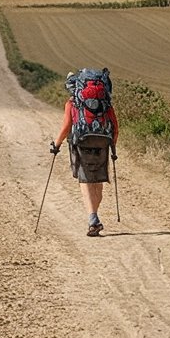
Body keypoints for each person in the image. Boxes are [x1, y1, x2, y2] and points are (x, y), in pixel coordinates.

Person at [50, 80, 119, 237]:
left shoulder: (72, 103)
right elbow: (115, 127)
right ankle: (94, 215)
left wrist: (56, 144)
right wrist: (112, 147)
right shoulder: (105, 102)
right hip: (102, 144)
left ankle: (93, 219)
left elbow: (66, 126)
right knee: (98, 183)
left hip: (81, 145)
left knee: (86, 182)